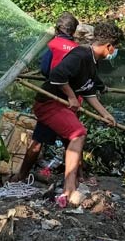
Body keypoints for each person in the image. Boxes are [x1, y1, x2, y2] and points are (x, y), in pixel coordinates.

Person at [33, 21, 123, 206]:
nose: (114, 52)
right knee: (78, 134)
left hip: (61, 106)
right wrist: (72, 97)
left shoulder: (92, 61)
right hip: (51, 103)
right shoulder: (81, 55)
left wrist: (105, 114)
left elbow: (89, 91)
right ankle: (69, 189)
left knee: (47, 139)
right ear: (109, 46)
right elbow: (56, 75)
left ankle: (22, 176)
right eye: (115, 48)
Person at [13, 13, 80, 182]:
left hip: (51, 98)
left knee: (38, 140)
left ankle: (21, 175)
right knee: (72, 139)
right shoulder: (78, 50)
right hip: (70, 100)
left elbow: (45, 69)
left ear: (57, 29)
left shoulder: (53, 45)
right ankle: (79, 176)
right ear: (73, 32)